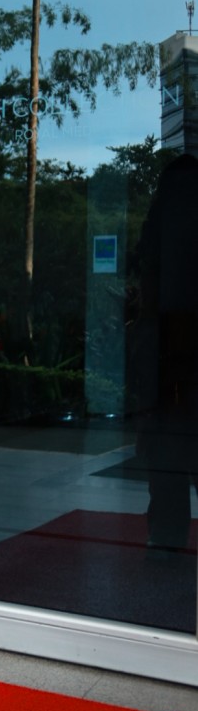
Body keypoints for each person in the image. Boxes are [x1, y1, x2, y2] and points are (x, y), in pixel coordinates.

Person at [136, 152, 198, 554]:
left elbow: (147, 284)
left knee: (166, 455)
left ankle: (166, 537)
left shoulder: (158, 223)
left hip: (164, 359)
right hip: (179, 356)